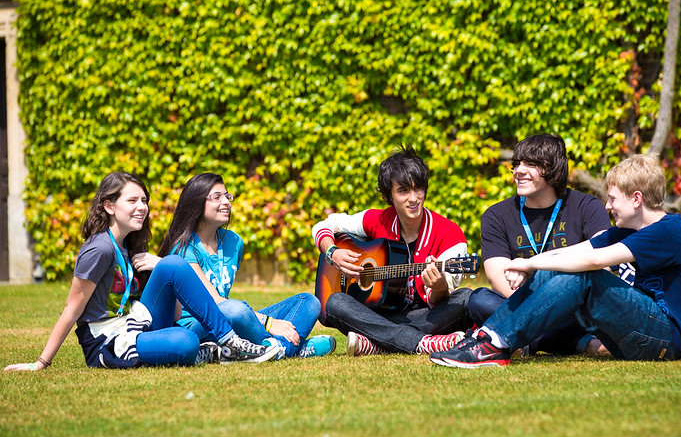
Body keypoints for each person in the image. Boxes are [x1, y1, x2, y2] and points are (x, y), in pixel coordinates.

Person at [431, 155, 681, 367]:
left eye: (612, 199)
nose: (607, 207)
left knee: (584, 275)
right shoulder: (629, 231)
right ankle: (488, 338)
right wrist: (530, 263)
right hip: (640, 332)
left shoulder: (669, 231)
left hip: (669, 340)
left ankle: (496, 344)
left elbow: (595, 259)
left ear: (636, 199)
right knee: (553, 268)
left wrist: (531, 265)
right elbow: (578, 249)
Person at [4, 172, 277, 372]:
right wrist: (41, 362)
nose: (141, 207)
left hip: (135, 322)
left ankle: (229, 342)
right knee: (186, 341)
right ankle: (227, 344)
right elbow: (72, 310)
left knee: (171, 264)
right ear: (109, 206)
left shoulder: (129, 246)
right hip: (106, 339)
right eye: (132, 200)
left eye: (144, 200)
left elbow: (175, 314)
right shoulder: (99, 249)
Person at [152, 173, 336, 360]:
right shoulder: (183, 248)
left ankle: (275, 349)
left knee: (309, 301)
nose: (226, 202)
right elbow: (215, 302)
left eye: (227, 196)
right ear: (196, 203)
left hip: (230, 320)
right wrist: (268, 323)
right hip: (199, 327)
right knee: (234, 309)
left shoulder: (234, 242)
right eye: (217, 197)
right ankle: (288, 349)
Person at [312, 146, 473, 356]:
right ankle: (422, 343)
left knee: (466, 298)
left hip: (422, 316)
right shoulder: (378, 219)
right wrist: (333, 253)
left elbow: (437, 301)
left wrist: (439, 286)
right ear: (390, 196)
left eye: (418, 189)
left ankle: (375, 343)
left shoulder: (450, 235)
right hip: (379, 314)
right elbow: (326, 225)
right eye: (403, 190)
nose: (413, 198)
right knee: (334, 303)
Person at [472, 134, 611, 355]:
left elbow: (605, 263)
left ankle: (524, 340)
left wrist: (534, 272)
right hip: (525, 304)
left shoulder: (587, 206)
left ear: (554, 170)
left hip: (574, 307)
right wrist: (543, 305)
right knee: (479, 300)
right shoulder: (496, 215)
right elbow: (497, 277)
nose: (518, 170)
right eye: (516, 164)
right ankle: (577, 343)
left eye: (530, 164)